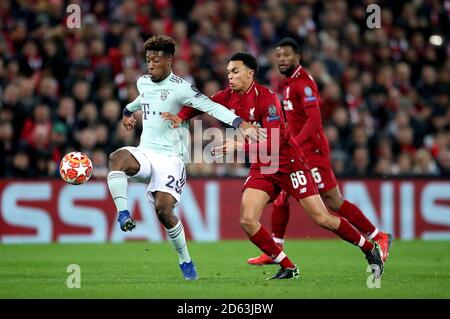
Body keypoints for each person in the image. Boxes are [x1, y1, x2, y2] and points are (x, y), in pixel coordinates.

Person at [163, 52, 384, 280]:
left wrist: (239, 146)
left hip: (288, 163)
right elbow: (201, 104)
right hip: (263, 166)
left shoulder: (267, 99)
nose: (230, 76)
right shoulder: (227, 96)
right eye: (228, 71)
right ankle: (288, 266)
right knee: (247, 220)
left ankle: (369, 247)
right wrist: (180, 117)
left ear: (250, 74)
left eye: (235, 71)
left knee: (321, 218)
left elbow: (275, 142)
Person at [107, 36, 258, 281]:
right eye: (147, 60)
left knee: (163, 210)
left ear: (169, 61)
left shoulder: (182, 87)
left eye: (156, 60)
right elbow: (140, 100)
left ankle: (185, 260)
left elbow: (211, 106)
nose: (150, 65)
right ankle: (123, 214)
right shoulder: (142, 82)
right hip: (146, 152)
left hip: (171, 159)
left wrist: (239, 122)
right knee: (117, 158)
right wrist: (127, 112)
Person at [247, 38, 392, 266]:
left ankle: (378, 237)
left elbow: (314, 121)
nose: (282, 59)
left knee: (332, 202)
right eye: (279, 56)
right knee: (283, 199)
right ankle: (275, 250)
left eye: (287, 55)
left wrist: (294, 143)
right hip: (298, 151)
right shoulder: (288, 83)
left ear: (298, 57)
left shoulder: (303, 84)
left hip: (311, 152)